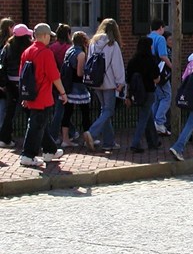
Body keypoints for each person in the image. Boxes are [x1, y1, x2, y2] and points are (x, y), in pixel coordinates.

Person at [18, 23, 68, 167]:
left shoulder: (27, 51)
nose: (50, 39)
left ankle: (49, 150)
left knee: (40, 124)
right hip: (43, 97)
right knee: (36, 125)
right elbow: (54, 76)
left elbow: (22, 76)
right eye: (49, 37)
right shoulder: (46, 53)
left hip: (31, 95)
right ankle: (28, 155)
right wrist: (63, 93)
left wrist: (25, 97)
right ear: (45, 36)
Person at [83, 18, 126, 151]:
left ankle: (109, 141)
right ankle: (92, 132)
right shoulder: (112, 44)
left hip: (95, 80)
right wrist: (120, 82)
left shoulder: (93, 43)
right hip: (109, 81)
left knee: (104, 110)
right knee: (108, 110)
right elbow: (117, 65)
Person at [126, 36, 161, 153]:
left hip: (136, 92)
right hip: (149, 91)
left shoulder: (132, 61)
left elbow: (128, 79)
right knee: (143, 118)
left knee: (148, 115)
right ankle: (135, 143)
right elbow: (157, 78)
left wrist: (128, 95)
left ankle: (154, 141)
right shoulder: (151, 60)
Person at [0, 24, 33, 148]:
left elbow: (1, 65)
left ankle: (4, 138)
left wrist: (3, 82)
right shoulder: (29, 47)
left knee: (10, 111)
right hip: (25, 82)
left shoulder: (7, 48)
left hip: (10, 83)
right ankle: (36, 140)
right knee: (31, 111)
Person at [60, 31, 92, 148]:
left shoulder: (69, 51)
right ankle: (87, 137)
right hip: (78, 87)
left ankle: (65, 139)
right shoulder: (81, 54)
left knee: (67, 112)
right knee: (85, 112)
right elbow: (79, 73)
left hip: (67, 86)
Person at [48, 23, 73, 142]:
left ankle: (71, 132)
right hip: (65, 81)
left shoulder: (52, 47)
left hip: (53, 80)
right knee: (61, 109)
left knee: (59, 109)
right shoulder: (69, 48)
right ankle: (53, 135)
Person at [148, 18, 172, 136]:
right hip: (159, 71)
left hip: (149, 71)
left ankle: (153, 122)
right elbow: (163, 56)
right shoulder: (160, 38)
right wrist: (172, 66)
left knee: (157, 98)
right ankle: (160, 121)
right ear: (161, 27)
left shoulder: (147, 38)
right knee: (167, 96)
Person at [0, 18, 16, 132]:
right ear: (9, 27)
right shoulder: (8, 44)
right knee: (5, 106)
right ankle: (2, 129)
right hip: (5, 77)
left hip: (2, 76)